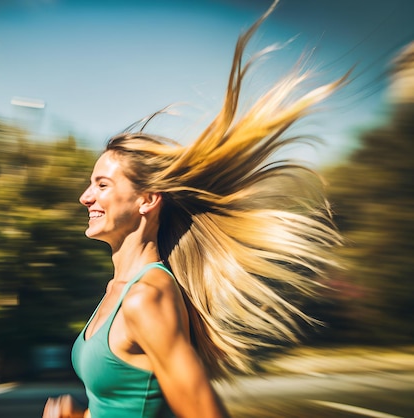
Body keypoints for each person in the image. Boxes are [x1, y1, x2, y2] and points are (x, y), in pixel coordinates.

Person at [43, 1, 347, 417]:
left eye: (102, 184)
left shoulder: (146, 298)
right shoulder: (118, 290)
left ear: (147, 200)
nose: (85, 197)